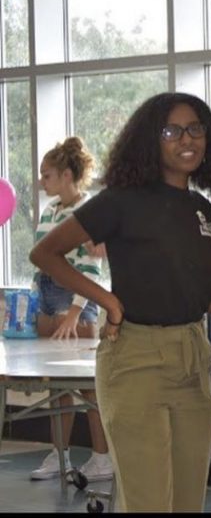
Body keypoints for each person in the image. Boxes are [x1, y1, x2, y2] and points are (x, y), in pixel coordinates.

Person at [30, 93, 211, 512]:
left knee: (186, 503)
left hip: (193, 357)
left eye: (196, 128)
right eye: (171, 130)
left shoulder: (200, 208)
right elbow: (45, 254)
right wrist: (109, 301)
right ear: (150, 140)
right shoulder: (123, 200)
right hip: (136, 358)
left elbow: (204, 300)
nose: (187, 139)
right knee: (148, 502)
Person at [29, 137, 113, 483]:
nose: (40, 182)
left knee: (88, 385)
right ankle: (59, 454)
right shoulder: (50, 211)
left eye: (46, 175)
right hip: (48, 294)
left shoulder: (87, 211)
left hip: (74, 296)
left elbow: (90, 268)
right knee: (56, 384)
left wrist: (78, 311)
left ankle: (101, 457)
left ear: (66, 175)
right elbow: (41, 257)